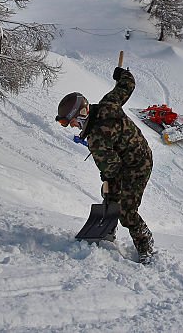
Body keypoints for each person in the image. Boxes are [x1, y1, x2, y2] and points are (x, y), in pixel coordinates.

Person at [57, 65, 156, 265]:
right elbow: (128, 85)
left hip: (138, 165)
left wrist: (108, 178)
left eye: (73, 122)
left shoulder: (97, 138)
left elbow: (112, 169)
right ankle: (108, 229)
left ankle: (146, 245)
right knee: (110, 196)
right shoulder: (108, 103)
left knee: (127, 211)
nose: (74, 127)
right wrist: (122, 74)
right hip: (134, 156)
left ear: (83, 113)